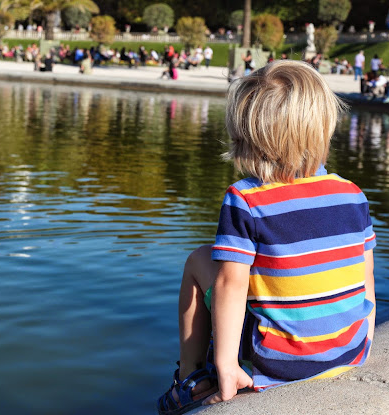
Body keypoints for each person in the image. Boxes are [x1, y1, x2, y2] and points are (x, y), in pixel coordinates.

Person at [156, 60, 376, 415]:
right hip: (350, 352)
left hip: (280, 366)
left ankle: (192, 376)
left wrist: (228, 367)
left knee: (199, 260)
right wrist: (361, 344)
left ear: (245, 135)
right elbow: (366, 282)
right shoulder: (352, 193)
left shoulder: (245, 199)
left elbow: (230, 285)